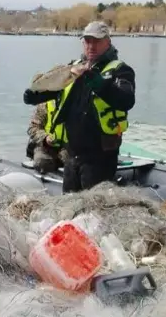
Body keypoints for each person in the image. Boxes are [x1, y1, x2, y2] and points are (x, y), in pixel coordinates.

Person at [22, 21, 136, 192]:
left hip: (100, 157)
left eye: (96, 41)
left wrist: (100, 84)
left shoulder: (121, 70)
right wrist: (35, 95)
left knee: (93, 210)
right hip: (71, 153)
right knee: (70, 207)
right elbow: (56, 89)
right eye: (87, 41)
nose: (91, 46)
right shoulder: (75, 67)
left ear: (108, 41)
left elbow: (127, 100)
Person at [26, 102, 69, 174]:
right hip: (45, 147)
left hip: (70, 149)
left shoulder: (78, 104)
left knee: (74, 163)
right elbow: (33, 128)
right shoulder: (45, 104)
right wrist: (45, 138)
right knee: (41, 163)